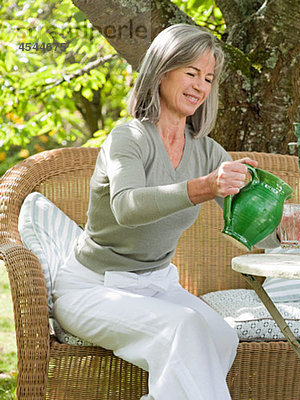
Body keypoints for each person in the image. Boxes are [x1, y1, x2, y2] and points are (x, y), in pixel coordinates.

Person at [52, 24, 277, 400]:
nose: (200, 86)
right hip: (92, 287)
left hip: (157, 285)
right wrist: (205, 186)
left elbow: (255, 230)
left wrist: (279, 221)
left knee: (221, 336)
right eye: (191, 73)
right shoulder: (129, 138)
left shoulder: (207, 151)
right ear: (161, 72)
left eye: (208, 78)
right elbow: (127, 206)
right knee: (185, 327)